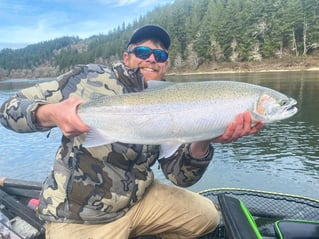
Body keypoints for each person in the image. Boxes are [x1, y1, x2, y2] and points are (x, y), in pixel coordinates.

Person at [0, 25, 263, 239]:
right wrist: (51, 114)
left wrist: (204, 137)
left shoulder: (176, 99)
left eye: (160, 56)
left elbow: (180, 176)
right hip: (79, 215)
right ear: (126, 57)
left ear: (165, 65)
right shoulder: (86, 78)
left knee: (207, 217)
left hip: (140, 200)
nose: (151, 58)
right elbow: (8, 109)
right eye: (142, 51)